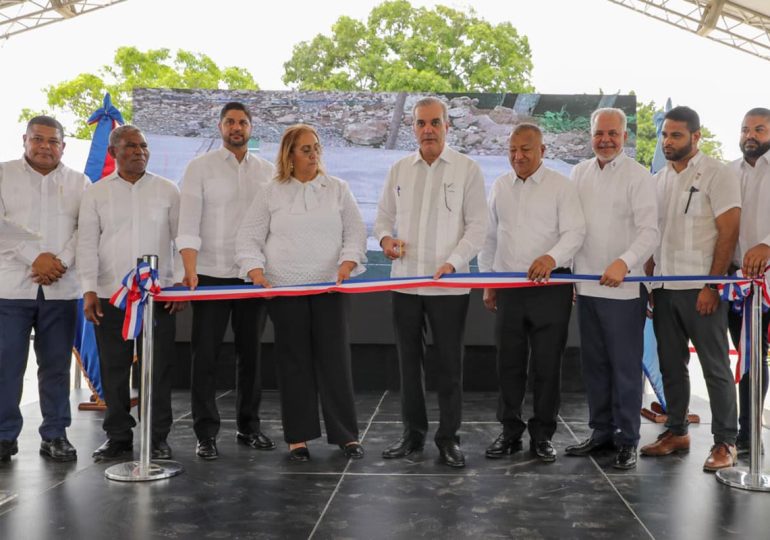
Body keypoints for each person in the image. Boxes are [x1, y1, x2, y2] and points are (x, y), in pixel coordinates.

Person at [236, 124, 366, 461]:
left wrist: (347, 264)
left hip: (329, 288)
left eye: (317, 148)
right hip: (285, 289)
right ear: (289, 155)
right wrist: (256, 272)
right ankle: (298, 438)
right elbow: (249, 237)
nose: (313, 154)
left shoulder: (338, 189)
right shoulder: (271, 192)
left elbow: (355, 233)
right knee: (294, 363)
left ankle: (346, 436)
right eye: (306, 149)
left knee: (335, 361)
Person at [374, 96, 487, 468]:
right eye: (421, 124)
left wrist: (455, 263)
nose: (428, 130)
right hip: (405, 282)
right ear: (413, 128)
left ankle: (448, 438)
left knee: (449, 365)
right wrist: (386, 241)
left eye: (434, 123)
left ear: (446, 127)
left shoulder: (467, 169)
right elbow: (383, 220)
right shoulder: (399, 170)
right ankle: (413, 434)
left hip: (448, 286)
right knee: (409, 363)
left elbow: (478, 227)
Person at [640, 106, 741, 472]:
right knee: (671, 364)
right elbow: (655, 236)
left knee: (715, 368)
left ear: (696, 137)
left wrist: (713, 284)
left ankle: (725, 442)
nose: (668, 142)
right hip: (665, 287)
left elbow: (729, 231)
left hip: (702, 288)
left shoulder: (718, 173)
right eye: (665, 135)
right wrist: (651, 282)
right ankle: (676, 432)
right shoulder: (658, 179)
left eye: (676, 135)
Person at [478, 123, 585, 463]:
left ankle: (542, 436)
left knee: (547, 366)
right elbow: (490, 237)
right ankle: (510, 432)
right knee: (508, 364)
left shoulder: (561, 187)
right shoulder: (500, 186)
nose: (518, 156)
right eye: (512, 150)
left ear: (542, 150)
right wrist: (489, 281)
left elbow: (575, 232)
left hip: (550, 289)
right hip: (509, 287)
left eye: (525, 149)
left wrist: (551, 258)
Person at [77, 125, 184, 461]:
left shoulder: (169, 190)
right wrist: (89, 289)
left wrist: (179, 282)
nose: (139, 151)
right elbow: (86, 243)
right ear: (112, 153)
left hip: (159, 297)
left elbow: (183, 240)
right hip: (111, 295)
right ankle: (119, 436)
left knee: (158, 369)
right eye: (131, 146)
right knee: (114, 368)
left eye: (144, 146)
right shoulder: (95, 193)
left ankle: (157, 438)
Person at [177, 102, 276, 459]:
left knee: (251, 356)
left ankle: (249, 428)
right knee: (205, 355)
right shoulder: (199, 168)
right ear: (220, 127)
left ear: (251, 128)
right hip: (210, 274)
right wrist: (188, 269)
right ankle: (206, 434)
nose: (237, 128)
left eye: (243, 122)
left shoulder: (268, 171)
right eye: (231, 122)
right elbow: (187, 222)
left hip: (251, 276)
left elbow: (274, 225)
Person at [567, 108, 658, 469]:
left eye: (612, 133)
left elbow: (650, 230)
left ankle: (627, 438)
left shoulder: (638, 176)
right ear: (590, 135)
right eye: (599, 133)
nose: (605, 140)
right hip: (586, 287)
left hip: (624, 290)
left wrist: (625, 261)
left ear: (624, 136)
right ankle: (601, 432)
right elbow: (573, 228)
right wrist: (573, 276)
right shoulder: (578, 173)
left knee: (623, 367)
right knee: (595, 366)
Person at [0, 116, 88, 463]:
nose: (45, 147)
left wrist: (60, 261)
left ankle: (55, 435)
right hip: (10, 289)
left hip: (61, 289)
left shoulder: (81, 182)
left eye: (53, 142)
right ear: (25, 140)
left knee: (55, 367)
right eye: (38, 139)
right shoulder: (3, 175)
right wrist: (33, 258)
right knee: (7, 366)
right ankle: (4, 436)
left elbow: (86, 228)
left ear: (63, 147)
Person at [728, 107, 770, 456]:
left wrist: (767, 244)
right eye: (744, 129)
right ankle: (735, 433)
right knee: (740, 355)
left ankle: (750, 432)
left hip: (766, 283)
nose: (750, 136)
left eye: (758, 129)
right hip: (730, 279)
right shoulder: (729, 172)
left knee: (756, 357)